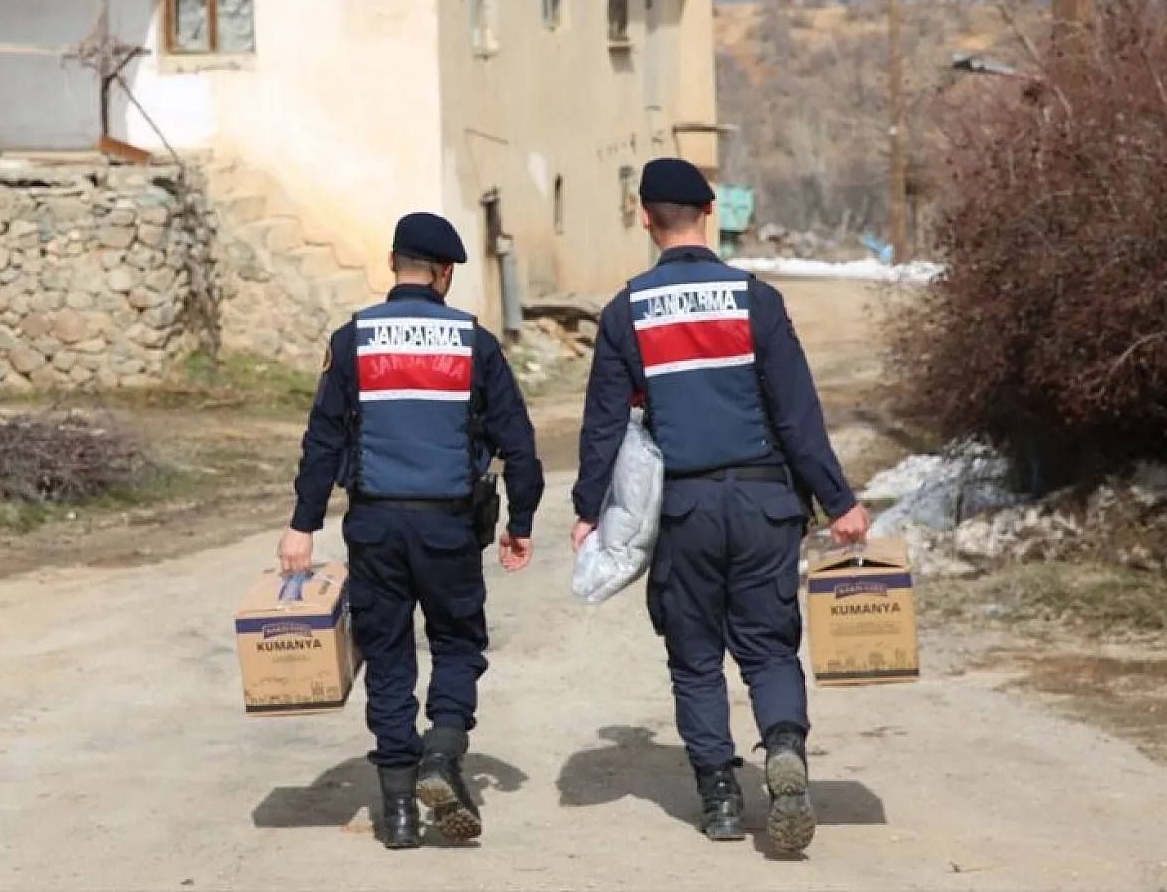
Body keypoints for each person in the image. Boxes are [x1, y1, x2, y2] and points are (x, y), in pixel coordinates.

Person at [570, 158, 873, 855]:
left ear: (645, 218)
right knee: (768, 647)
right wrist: (839, 500)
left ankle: (721, 798)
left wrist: (590, 508)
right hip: (767, 501)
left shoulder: (626, 311)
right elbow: (796, 412)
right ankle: (787, 753)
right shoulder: (754, 300)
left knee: (695, 657)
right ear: (709, 210)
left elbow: (603, 424)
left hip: (685, 511)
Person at [277, 211, 544, 850]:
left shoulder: (353, 340)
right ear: (445, 274)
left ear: (392, 263)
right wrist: (521, 520)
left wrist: (302, 527)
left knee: (390, 656)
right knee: (456, 645)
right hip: (449, 527)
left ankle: (397, 810)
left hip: (373, 526)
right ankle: (443, 756)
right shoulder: (473, 342)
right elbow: (520, 443)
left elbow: (321, 441)